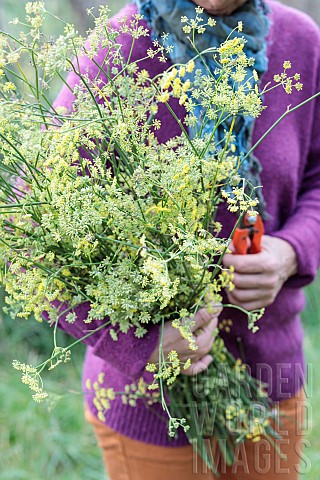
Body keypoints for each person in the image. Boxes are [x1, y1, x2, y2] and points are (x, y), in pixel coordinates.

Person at [53, 0, 320, 478]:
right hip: (152, 404)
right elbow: (32, 238)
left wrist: (292, 251)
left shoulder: (300, 42)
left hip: (273, 382)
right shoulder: (116, 50)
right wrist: (142, 345)